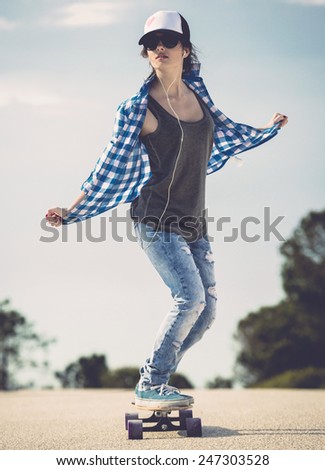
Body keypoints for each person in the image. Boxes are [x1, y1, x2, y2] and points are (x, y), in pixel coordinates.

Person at [46, 11, 288, 409]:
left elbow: (226, 133)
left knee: (207, 312)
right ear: (145, 53)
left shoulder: (199, 95)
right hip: (155, 221)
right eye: (151, 42)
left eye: (168, 40)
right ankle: (152, 382)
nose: (159, 47)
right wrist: (69, 210)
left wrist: (265, 131)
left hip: (195, 221)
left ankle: (154, 379)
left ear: (185, 49)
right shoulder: (137, 109)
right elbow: (107, 165)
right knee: (189, 298)